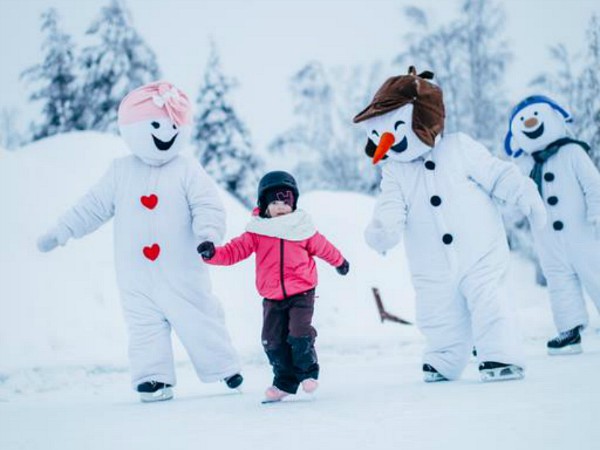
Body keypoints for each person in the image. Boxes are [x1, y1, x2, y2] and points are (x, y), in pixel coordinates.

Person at [37, 81, 242, 402]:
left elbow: (208, 204)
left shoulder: (187, 168)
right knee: (144, 327)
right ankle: (153, 378)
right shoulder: (121, 172)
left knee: (199, 317)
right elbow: (91, 207)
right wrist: (61, 232)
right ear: (131, 128)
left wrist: (208, 235)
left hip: (182, 270)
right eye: (156, 124)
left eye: (173, 125)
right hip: (135, 275)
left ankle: (223, 367)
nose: (165, 132)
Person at [354, 67, 547, 382]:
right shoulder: (394, 171)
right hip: (431, 264)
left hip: (480, 252)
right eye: (376, 135)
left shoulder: (459, 147)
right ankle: (444, 357)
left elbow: (497, 174)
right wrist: (383, 230)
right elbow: (390, 205)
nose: (385, 141)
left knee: (489, 300)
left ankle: (499, 354)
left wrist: (525, 195)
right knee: (437, 310)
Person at [198, 171, 349, 402]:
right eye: (275, 202)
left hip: (302, 292)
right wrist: (212, 254)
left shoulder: (302, 228)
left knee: (298, 333)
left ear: (294, 203)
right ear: (264, 204)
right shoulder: (257, 232)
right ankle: (284, 383)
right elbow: (234, 251)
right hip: (272, 296)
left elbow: (324, 248)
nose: (280, 207)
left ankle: (308, 373)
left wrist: (340, 262)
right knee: (271, 340)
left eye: (285, 201)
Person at [505, 95, 600, 355]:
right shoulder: (524, 164)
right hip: (548, 240)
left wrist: (596, 213)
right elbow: (518, 197)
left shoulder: (572, 152)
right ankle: (570, 330)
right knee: (560, 283)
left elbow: (593, 185)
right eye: (522, 120)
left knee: (596, 275)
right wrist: (512, 216)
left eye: (536, 116)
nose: (531, 122)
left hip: (584, 234)